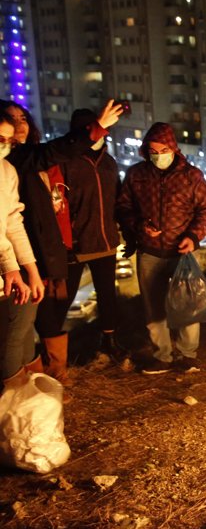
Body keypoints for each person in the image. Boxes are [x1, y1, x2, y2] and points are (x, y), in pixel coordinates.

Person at [2, 99, 121, 387]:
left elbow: (18, 219)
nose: (18, 125)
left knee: (39, 320)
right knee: (20, 328)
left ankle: (44, 385)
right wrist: (96, 129)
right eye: (10, 121)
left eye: (22, 119)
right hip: (23, 259)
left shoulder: (16, 165)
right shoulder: (21, 161)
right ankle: (22, 394)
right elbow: (9, 224)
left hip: (39, 256)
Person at [115, 123, 206, 375]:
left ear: (174, 149)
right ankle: (162, 355)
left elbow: (205, 210)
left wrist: (193, 236)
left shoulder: (191, 176)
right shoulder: (137, 175)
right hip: (149, 252)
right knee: (153, 305)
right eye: (153, 150)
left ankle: (188, 355)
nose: (158, 155)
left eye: (163, 149)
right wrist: (139, 226)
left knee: (188, 303)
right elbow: (124, 207)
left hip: (182, 252)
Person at [55, 109, 125, 364]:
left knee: (108, 296)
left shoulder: (108, 162)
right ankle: (52, 351)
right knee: (63, 299)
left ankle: (110, 342)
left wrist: (126, 232)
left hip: (106, 242)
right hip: (76, 244)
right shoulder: (65, 162)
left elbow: (118, 200)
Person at [0, 112, 45, 390]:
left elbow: (13, 223)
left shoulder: (7, 171)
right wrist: (12, 269)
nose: (4, 144)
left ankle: (25, 396)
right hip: (5, 265)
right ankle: (14, 395)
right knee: (11, 335)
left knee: (23, 320)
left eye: (7, 140)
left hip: (7, 265)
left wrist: (32, 271)